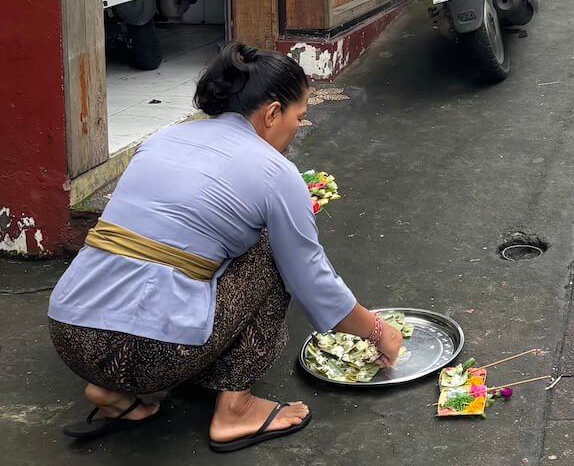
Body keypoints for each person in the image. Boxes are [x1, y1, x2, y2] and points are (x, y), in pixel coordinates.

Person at [48, 42, 403, 453]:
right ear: (272, 113)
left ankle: (115, 393)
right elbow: (310, 277)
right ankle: (236, 408)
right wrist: (378, 331)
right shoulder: (275, 172)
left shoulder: (163, 139)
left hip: (70, 334)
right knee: (273, 248)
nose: (297, 129)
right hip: (151, 352)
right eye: (299, 117)